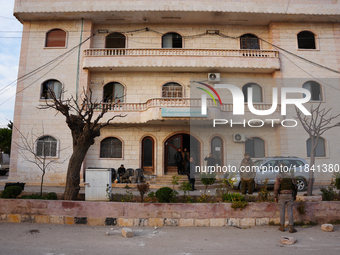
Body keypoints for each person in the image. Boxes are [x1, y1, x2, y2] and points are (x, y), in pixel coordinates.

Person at [274, 163, 298, 233]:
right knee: (290, 211)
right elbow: (295, 186)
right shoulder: (291, 175)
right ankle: (291, 227)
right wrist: (295, 195)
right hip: (290, 195)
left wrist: (275, 196)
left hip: (282, 195)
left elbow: (276, 187)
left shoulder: (279, 176)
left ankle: (282, 227)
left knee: (282, 210)